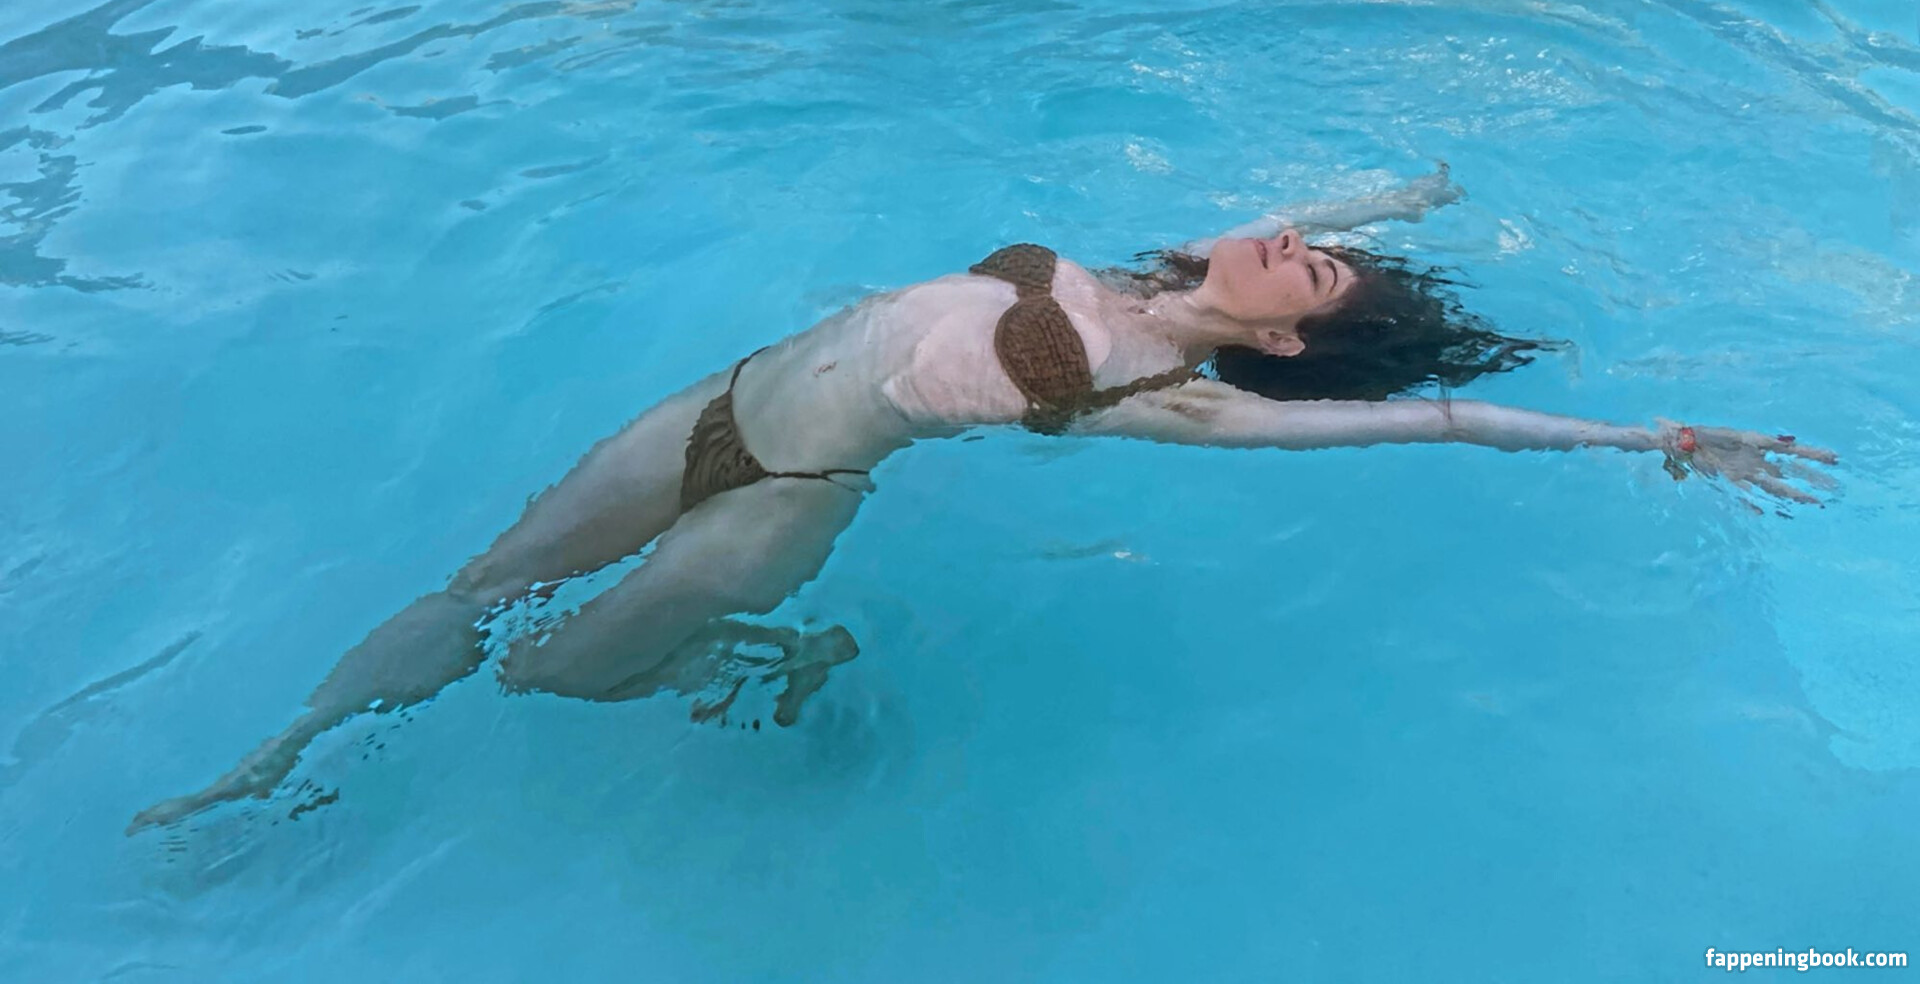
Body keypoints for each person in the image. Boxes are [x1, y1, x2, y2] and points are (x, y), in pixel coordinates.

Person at [127, 165, 1835, 833]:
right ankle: (281, 754)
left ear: (1281, 340)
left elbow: (1440, 423)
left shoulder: (1174, 399)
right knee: (479, 588)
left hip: (786, 493)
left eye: (1305, 267)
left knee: (549, 678)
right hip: (709, 405)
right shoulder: (1151, 270)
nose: (1281, 236)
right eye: (1298, 236)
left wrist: (1652, 438)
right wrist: (1402, 197)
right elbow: (1306, 213)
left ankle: (785, 662)